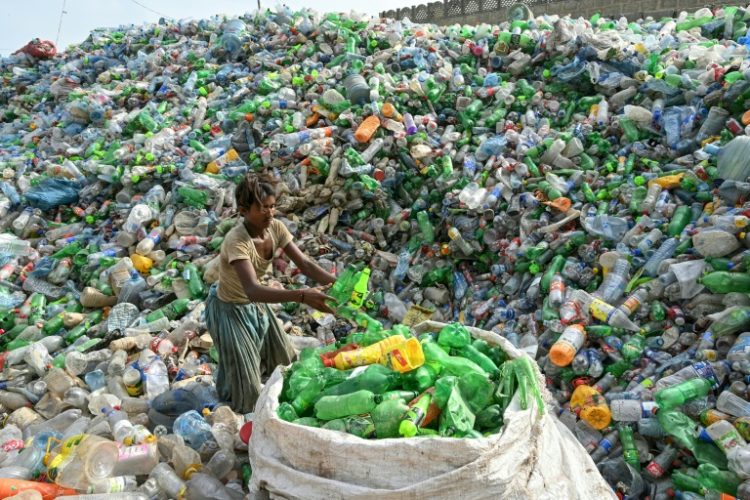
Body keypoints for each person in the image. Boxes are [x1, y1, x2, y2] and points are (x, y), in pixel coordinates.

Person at [206, 172, 336, 413]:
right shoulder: (237, 241)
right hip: (230, 310)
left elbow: (305, 264)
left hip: (255, 305)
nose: (270, 213)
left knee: (286, 364)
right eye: (262, 208)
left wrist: (338, 287)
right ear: (244, 210)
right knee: (249, 394)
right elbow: (253, 289)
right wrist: (303, 296)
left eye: (272, 206)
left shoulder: (275, 228)